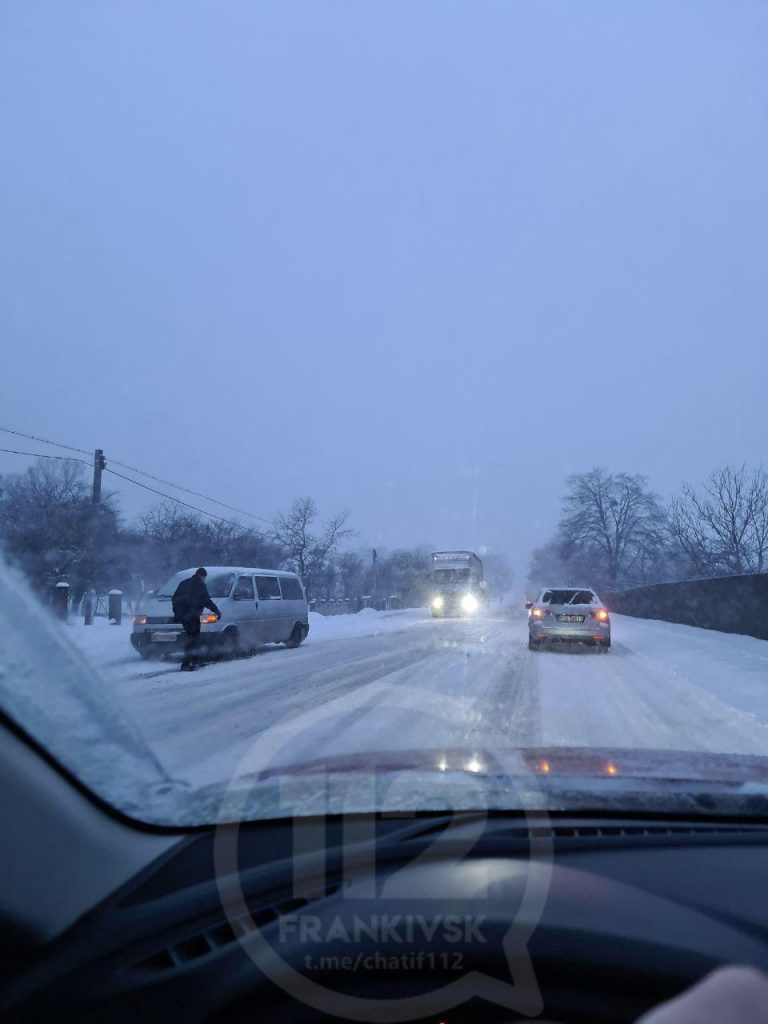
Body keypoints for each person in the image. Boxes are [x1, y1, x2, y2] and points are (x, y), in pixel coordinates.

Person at [172, 568, 221, 672]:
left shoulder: (183, 583)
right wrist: (216, 610)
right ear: (202, 576)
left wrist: (177, 613)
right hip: (193, 616)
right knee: (193, 639)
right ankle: (187, 663)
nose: (204, 580)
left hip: (183, 617)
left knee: (192, 638)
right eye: (204, 578)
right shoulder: (200, 585)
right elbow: (206, 600)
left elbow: (175, 599)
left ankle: (194, 660)